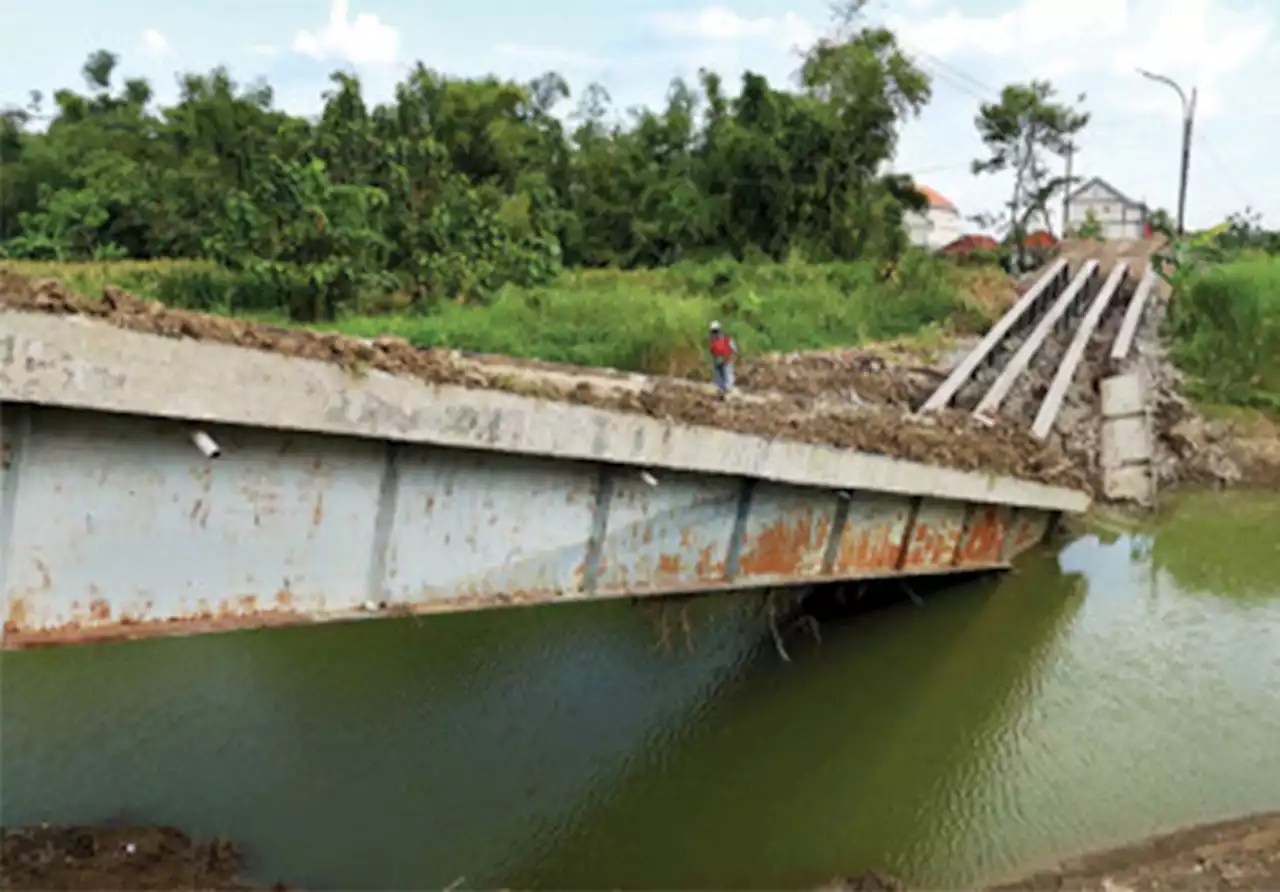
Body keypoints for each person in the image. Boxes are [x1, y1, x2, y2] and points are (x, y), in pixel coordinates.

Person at [707, 321, 737, 396]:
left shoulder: (725, 339)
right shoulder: (715, 341)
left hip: (725, 359)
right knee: (721, 375)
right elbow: (734, 349)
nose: (715, 333)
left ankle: (726, 389)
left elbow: (733, 349)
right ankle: (722, 389)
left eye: (715, 331)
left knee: (726, 374)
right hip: (720, 360)